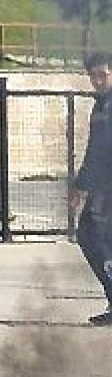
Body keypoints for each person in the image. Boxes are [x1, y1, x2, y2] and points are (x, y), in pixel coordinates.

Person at [70, 51, 112, 325]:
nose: (97, 81)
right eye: (93, 76)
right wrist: (80, 184)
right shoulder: (100, 106)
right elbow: (93, 148)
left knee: (93, 234)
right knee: (91, 236)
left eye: (103, 75)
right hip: (102, 184)